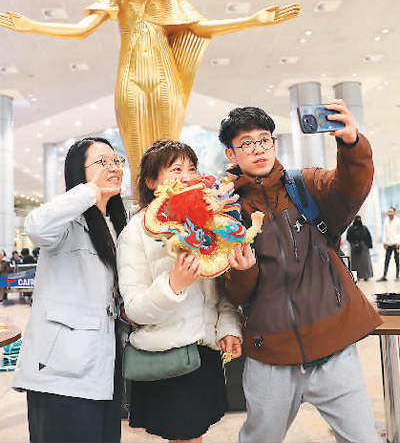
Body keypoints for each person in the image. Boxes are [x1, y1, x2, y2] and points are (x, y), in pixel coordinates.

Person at [0, 0, 300, 192]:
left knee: (169, 150)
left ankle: (173, 210)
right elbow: (81, 30)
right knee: (137, 154)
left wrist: (253, 20)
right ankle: (143, 215)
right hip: (130, 77)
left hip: (164, 76)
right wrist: (33, 26)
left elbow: (199, 27)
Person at [218, 101, 382, 443]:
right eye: (246, 143)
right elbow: (232, 293)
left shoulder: (305, 184)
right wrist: (244, 271)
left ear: (274, 143)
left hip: (333, 345)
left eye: (264, 139)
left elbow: (351, 186)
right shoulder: (225, 212)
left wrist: (351, 144)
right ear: (231, 154)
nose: (258, 149)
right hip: (270, 354)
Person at [116, 139, 242, 442]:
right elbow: (134, 309)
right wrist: (174, 285)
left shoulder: (206, 223)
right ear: (151, 182)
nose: (187, 176)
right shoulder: (136, 232)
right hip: (168, 356)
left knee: (196, 434)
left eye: (192, 168)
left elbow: (219, 289)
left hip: (204, 353)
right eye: (176, 169)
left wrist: (228, 327)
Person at [13, 137, 128, 443]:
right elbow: (36, 226)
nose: (113, 167)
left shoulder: (117, 225)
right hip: (60, 371)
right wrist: (90, 191)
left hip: (103, 366)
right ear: (79, 172)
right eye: (102, 162)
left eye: (116, 161)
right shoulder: (66, 222)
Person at [346, 215, 374, 281]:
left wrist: (368, 245)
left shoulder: (364, 228)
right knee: (356, 264)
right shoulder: (351, 229)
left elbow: (368, 237)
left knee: (365, 263)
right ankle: (357, 276)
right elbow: (348, 237)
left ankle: (366, 276)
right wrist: (354, 243)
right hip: (354, 248)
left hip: (364, 248)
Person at [377, 207, 400, 281]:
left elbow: (399, 232)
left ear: (394, 212)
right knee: (387, 260)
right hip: (388, 244)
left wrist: (398, 242)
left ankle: (397, 276)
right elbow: (384, 232)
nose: (389, 213)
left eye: (391, 212)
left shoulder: (397, 220)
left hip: (395, 243)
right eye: (389, 212)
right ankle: (384, 276)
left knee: (397, 260)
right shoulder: (386, 220)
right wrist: (384, 241)